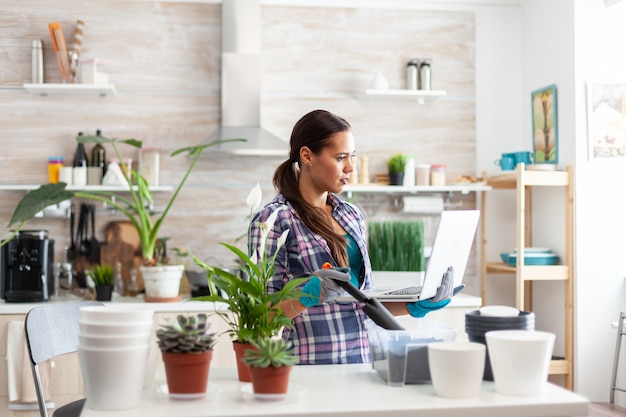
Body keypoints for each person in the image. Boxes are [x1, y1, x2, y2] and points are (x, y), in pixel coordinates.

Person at [248, 109, 452, 365]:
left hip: (364, 362)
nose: (350, 167)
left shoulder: (351, 215)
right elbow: (260, 317)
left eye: (352, 156)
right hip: (308, 366)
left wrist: (416, 304)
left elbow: (363, 304)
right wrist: (304, 298)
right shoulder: (274, 220)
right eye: (340, 157)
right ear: (307, 155)